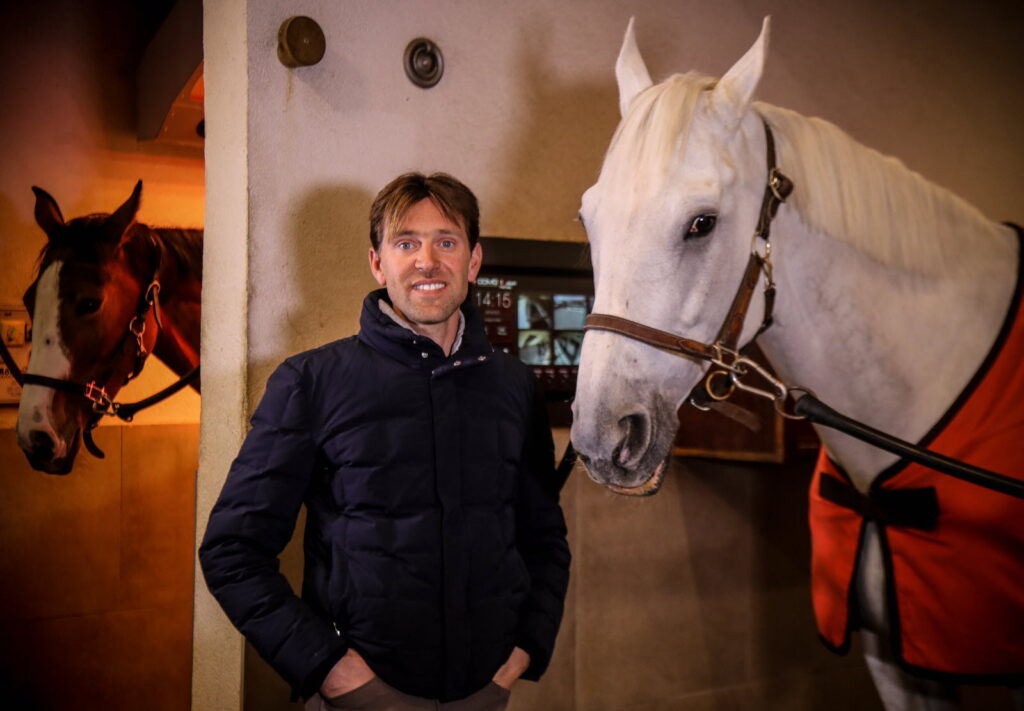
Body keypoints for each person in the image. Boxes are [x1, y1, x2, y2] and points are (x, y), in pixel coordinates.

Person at [199, 172, 571, 711]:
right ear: (378, 262)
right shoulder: (311, 382)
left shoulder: (513, 384)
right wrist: (332, 672)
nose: (427, 260)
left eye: (446, 241)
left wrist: (520, 655)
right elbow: (231, 551)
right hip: (359, 697)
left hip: (484, 694)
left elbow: (544, 538)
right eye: (406, 243)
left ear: (472, 261)